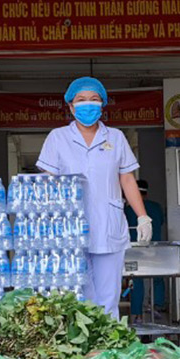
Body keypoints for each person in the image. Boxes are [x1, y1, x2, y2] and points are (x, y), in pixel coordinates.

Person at [38, 76, 152, 318]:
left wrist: (143, 217)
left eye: (93, 99)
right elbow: (46, 184)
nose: (87, 104)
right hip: (68, 227)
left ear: (102, 105)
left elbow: (127, 179)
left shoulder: (116, 137)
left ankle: (108, 350)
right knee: (76, 297)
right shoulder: (57, 138)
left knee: (108, 298)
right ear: (70, 106)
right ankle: (81, 352)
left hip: (107, 225)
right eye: (80, 100)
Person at [125, 179, 166, 317]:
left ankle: (137, 313)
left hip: (134, 250)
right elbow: (160, 221)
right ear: (146, 193)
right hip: (154, 248)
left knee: (136, 278)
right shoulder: (156, 207)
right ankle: (157, 305)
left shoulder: (128, 209)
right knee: (158, 277)